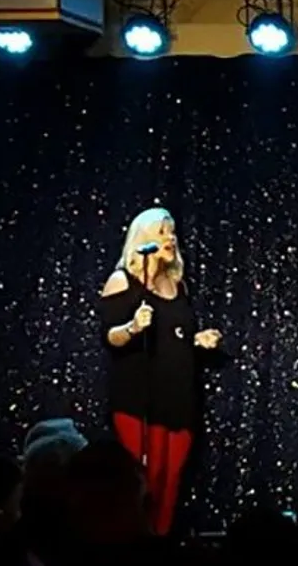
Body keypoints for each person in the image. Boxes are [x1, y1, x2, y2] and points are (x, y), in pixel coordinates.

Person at [98, 207, 224, 535]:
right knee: (143, 482)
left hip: (178, 397)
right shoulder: (121, 280)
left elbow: (175, 337)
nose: (171, 238)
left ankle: (159, 545)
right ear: (144, 239)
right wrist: (132, 327)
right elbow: (110, 336)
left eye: (172, 232)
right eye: (163, 231)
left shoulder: (177, 285)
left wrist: (198, 340)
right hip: (139, 401)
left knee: (171, 482)